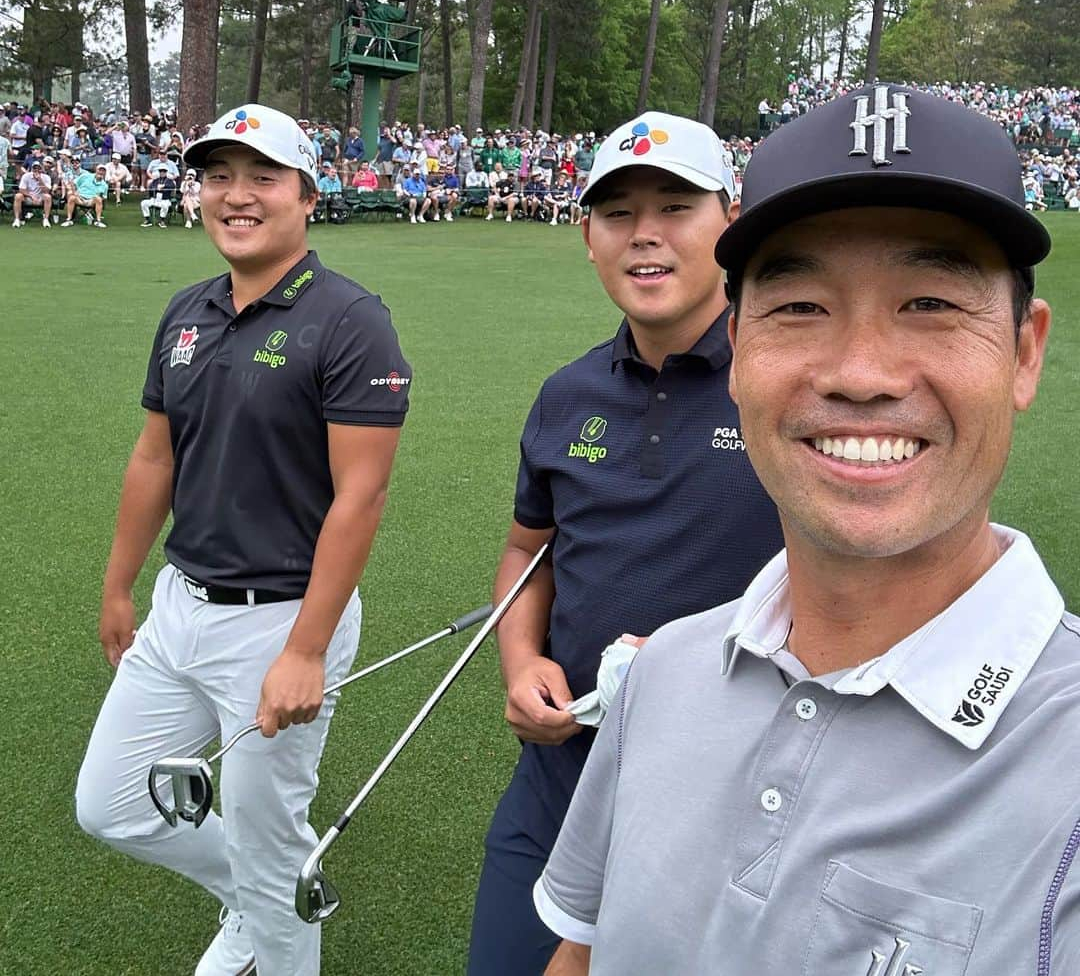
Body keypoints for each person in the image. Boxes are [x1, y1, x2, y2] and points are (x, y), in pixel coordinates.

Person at [536, 85, 1080, 975]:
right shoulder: (663, 671)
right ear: (740, 350)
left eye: (932, 302)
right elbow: (585, 957)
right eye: (799, 308)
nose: (861, 373)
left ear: (1024, 351)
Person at [76, 104, 411, 976]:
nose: (236, 196)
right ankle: (258, 893)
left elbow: (360, 497)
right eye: (218, 177)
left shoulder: (349, 319)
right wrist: (120, 586)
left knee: (272, 848)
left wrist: (305, 650)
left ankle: (270, 912)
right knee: (110, 805)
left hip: (284, 619)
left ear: (307, 195)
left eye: (262, 177)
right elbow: (155, 457)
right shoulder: (188, 311)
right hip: (180, 606)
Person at [467, 112, 784, 975]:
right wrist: (520, 658)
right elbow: (525, 555)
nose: (645, 234)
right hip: (566, 778)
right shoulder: (566, 395)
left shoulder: (786, 382)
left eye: (676, 205)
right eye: (618, 213)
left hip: (735, 803)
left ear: (731, 219)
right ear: (588, 237)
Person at [12, 160, 53, 227]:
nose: (36, 170)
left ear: (41, 169)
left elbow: (46, 191)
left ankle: (46, 219)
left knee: (48, 197)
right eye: (34, 168)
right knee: (18, 196)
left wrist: (40, 180)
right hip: (28, 196)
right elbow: (21, 189)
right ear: (32, 169)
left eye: (38, 168)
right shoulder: (26, 176)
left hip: (41, 197)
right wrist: (31, 196)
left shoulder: (46, 177)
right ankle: (17, 219)